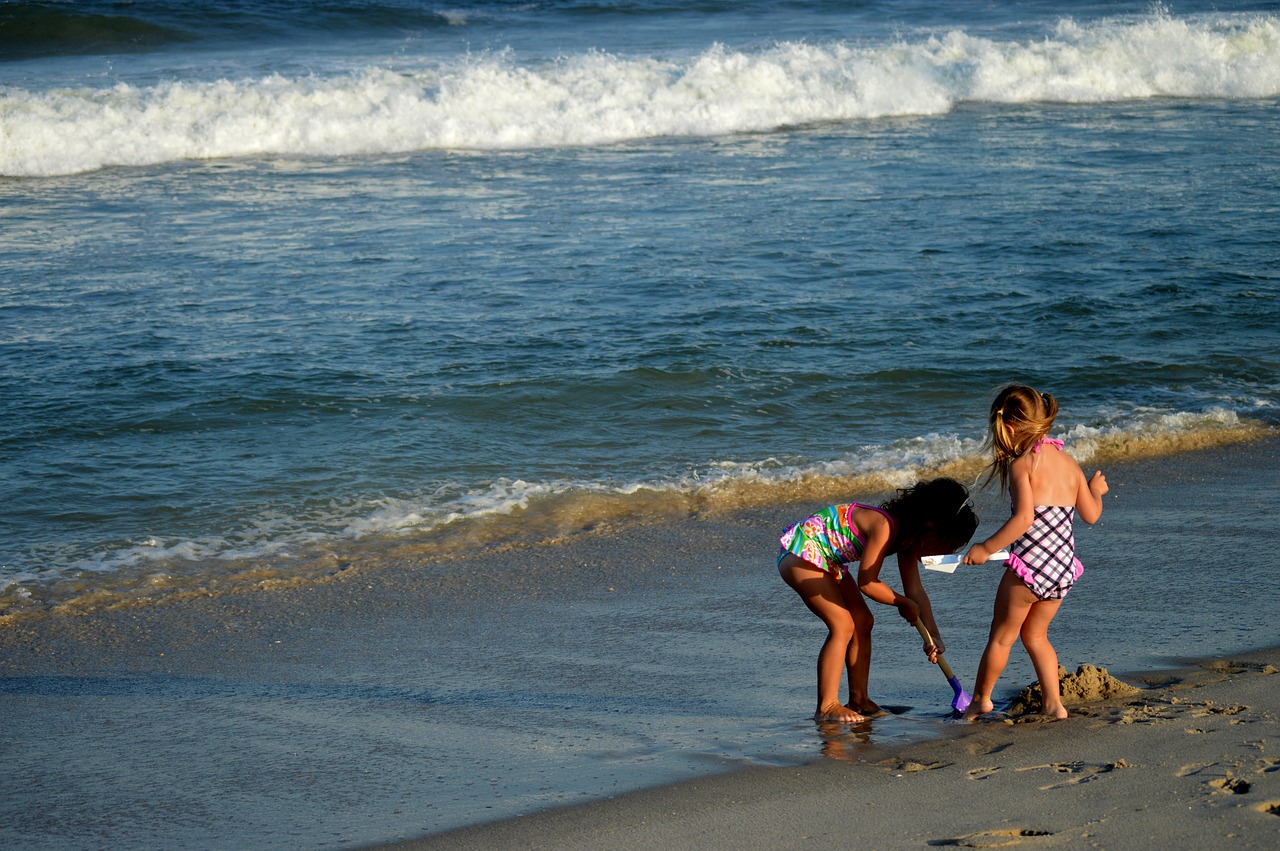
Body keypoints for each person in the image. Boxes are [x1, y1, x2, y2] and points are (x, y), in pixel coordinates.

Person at [777, 477, 979, 723]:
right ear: (929, 525)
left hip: (830, 562)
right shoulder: (884, 526)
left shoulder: (908, 542)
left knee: (863, 620)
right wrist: (901, 603)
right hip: (802, 553)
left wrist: (933, 636)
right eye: (947, 545)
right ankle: (827, 706)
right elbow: (867, 582)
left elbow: (915, 590)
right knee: (843, 624)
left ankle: (859, 699)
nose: (945, 554)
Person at [961, 385, 1108, 720]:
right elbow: (1092, 515)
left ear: (1010, 427)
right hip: (1061, 571)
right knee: (1037, 636)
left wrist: (985, 547)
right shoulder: (1069, 464)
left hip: (1028, 570)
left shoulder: (1023, 465)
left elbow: (1024, 519)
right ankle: (1054, 703)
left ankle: (981, 700)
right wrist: (1095, 491)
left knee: (1001, 638)